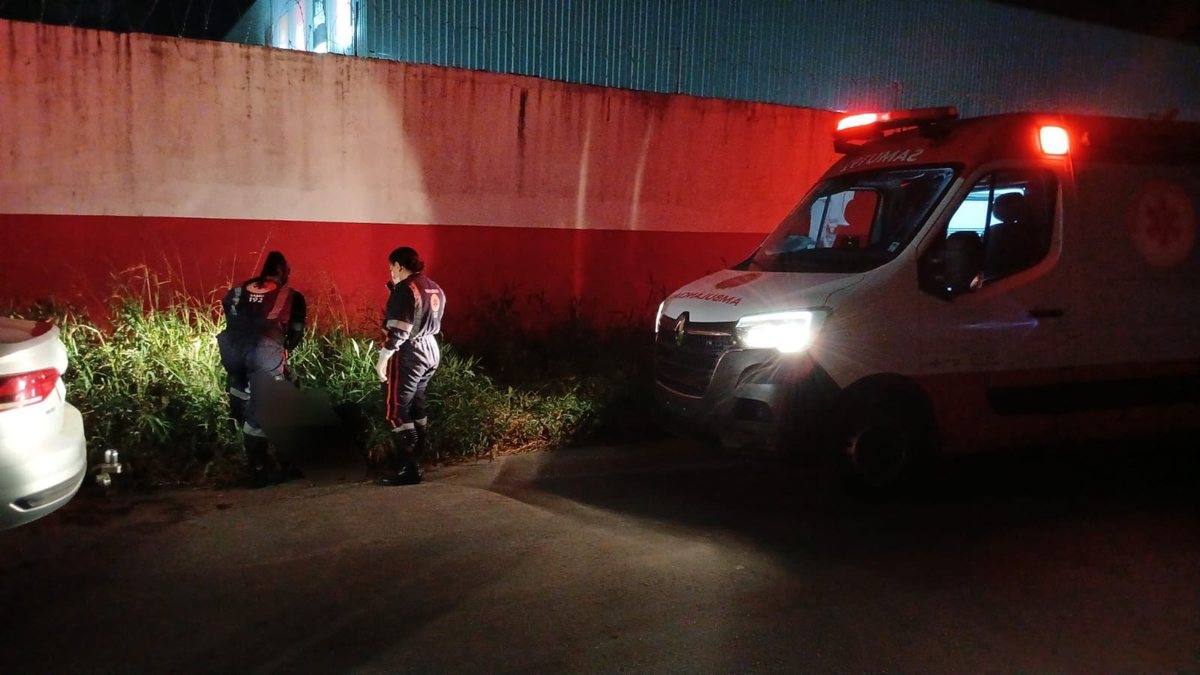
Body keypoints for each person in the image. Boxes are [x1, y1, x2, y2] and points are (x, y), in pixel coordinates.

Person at [217, 251, 307, 487]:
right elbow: (295, 334)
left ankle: (241, 438)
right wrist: (282, 351)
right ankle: (259, 468)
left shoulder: (238, 290)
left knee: (241, 391)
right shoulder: (291, 296)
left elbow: (230, 315)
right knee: (265, 405)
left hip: (231, 350)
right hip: (264, 351)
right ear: (283, 272)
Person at [375, 246, 446, 486]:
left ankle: (409, 467)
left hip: (410, 352)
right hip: (431, 348)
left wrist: (383, 358)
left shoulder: (405, 289)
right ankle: (416, 459)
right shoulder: (434, 287)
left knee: (395, 408)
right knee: (416, 404)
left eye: (391, 268)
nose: (391, 273)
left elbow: (399, 330)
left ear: (398, 265)